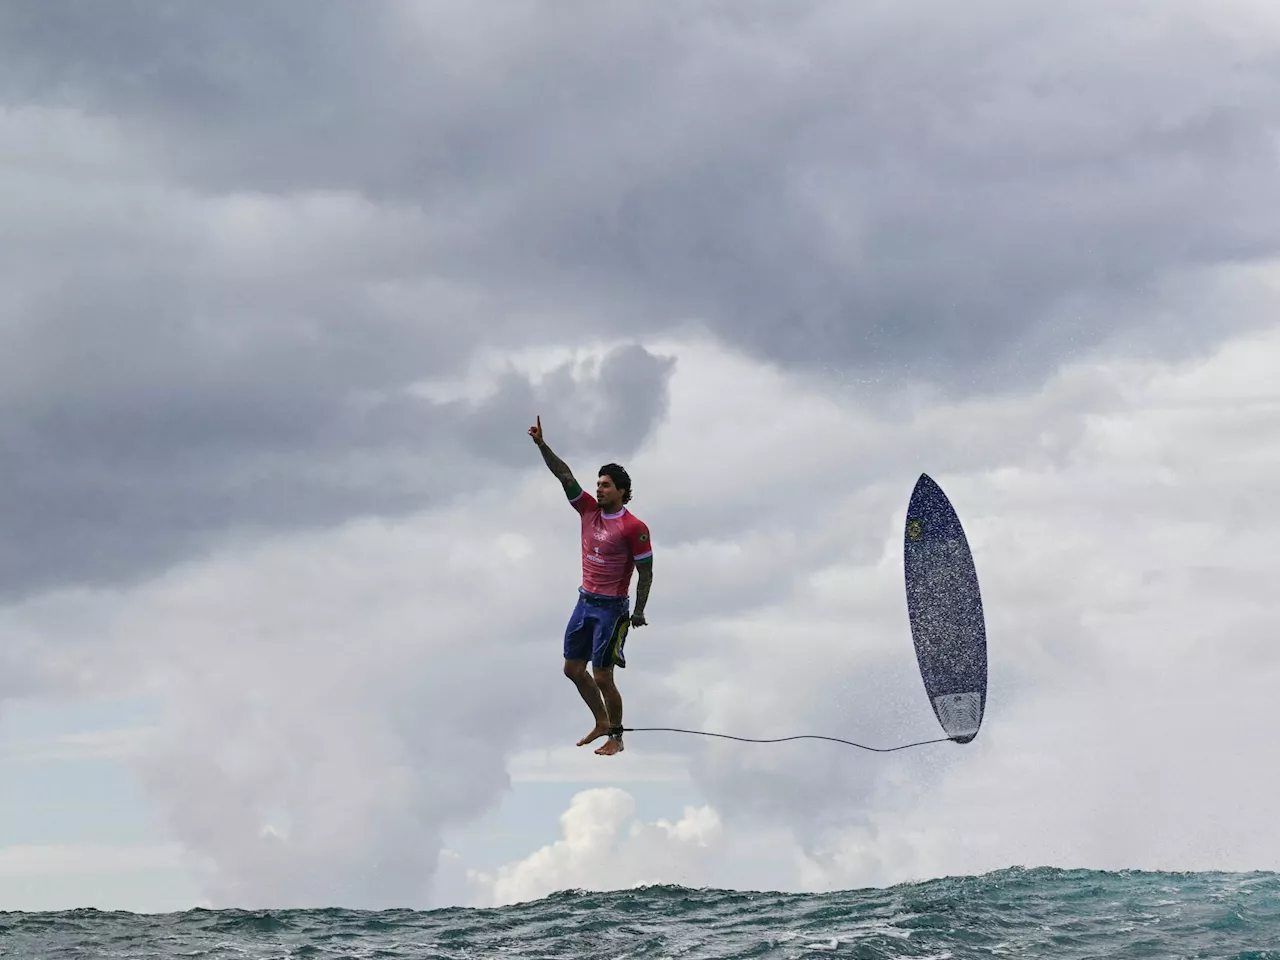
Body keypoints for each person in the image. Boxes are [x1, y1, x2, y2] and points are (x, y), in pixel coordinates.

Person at [528, 414, 653, 756]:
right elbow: (564, 475)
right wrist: (542, 445)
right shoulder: (587, 510)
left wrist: (639, 610)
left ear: (623, 492)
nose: (599, 489)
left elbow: (646, 571)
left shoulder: (633, 527)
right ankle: (600, 720)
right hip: (585, 602)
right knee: (572, 669)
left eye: (606, 485)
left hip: (612, 609)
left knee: (602, 676)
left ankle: (617, 736)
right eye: (598, 484)